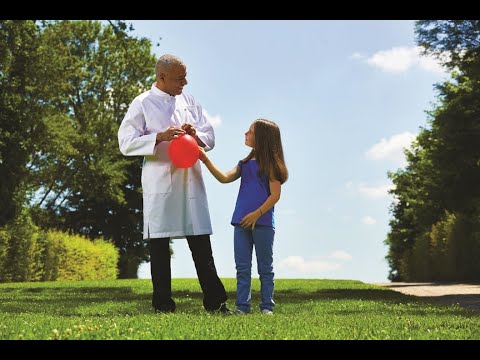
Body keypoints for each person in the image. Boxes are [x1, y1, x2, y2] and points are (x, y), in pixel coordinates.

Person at [118, 54, 231, 314]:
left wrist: (195, 135)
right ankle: (163, 305)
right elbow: (125, 142)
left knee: (201, 242)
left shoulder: (189, 100)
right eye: (180, 78)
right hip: (161, 180)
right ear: (162, 77)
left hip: (190, 179)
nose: (186, 82)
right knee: (159, 243)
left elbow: (209, 135)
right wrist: (159, 137)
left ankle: (215, 302)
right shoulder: (142, 103)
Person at [198, 119, 288, 315]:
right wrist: (204, 159)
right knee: (242, 268)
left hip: (263, 223)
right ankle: (242, 307)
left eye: (250, 131)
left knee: (265, 268)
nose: (245, 133)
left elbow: (275, 195)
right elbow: (223, 178)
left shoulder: (271, 165)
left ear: (262, 137)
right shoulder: (244, 164)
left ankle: (266, 307)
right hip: (240, 222)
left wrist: (257, 214)